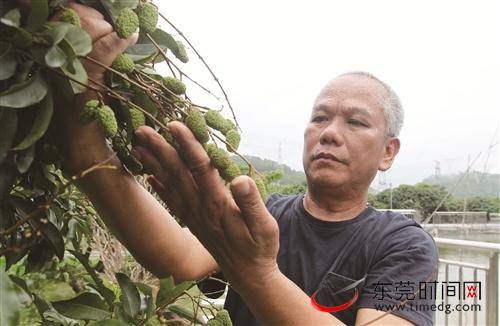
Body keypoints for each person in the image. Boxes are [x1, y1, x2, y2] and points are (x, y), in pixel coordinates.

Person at [58, 3, 438, 325]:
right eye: (320, 118)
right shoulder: (266, 215)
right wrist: (85, 144)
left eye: (355, 122)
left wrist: (256, 274)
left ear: (388, 152)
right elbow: (178, 259)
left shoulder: (406, 246)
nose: (329, 133)